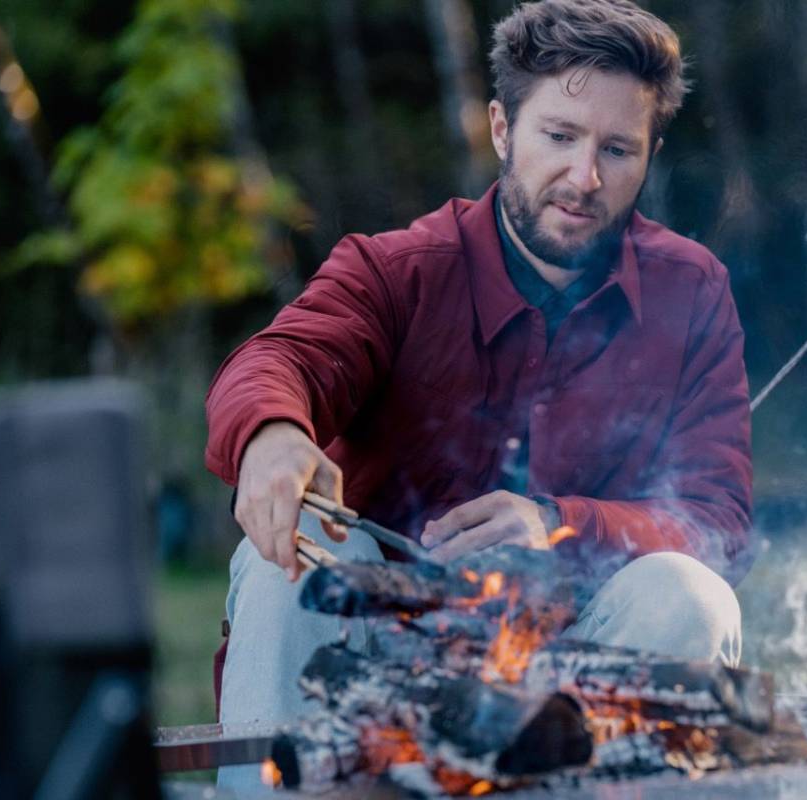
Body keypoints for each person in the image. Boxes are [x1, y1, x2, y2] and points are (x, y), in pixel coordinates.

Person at [205, 1, 752, 784]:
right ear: (502, 128)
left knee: (690, 594)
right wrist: (270, 436)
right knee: (295, 559)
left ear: (651, 154)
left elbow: (718, 523)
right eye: (559, 136)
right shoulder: (396, 270)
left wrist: (558, 523)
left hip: (569, 666)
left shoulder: (691, 291)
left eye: (618, 150)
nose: (585, 177)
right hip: (369, 660)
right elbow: (277, 360)